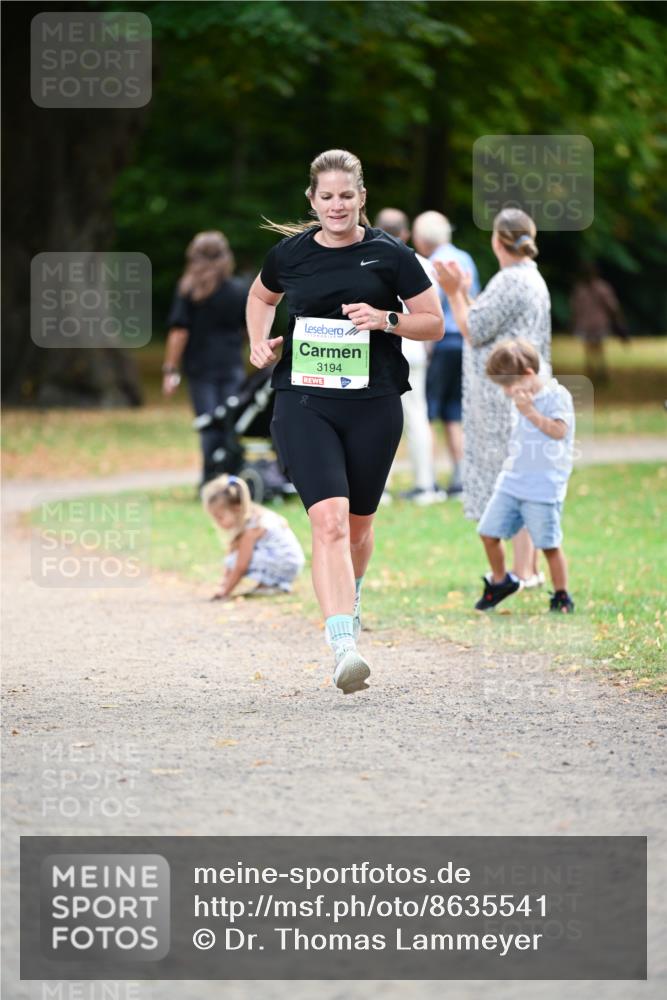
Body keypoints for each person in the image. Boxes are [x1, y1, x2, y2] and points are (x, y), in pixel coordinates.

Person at [246, 148, 444, 694]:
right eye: (326, 196)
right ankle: (343, 645)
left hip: (374, 404)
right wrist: (258, 343)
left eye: (346, 196)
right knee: (327, 522)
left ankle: (350, 595)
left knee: (357, 526)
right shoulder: (289, 254)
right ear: (312, 200)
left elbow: (433, 323)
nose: (337, 206)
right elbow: (261, 296)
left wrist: (387, 319)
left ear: (362, 198)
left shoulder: (391, 255)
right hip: (304, 400)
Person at [435, 207, 552, 588]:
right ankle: (528, 569)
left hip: (505, 396)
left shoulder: (510, 281)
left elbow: (472, 329)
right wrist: (466, 292)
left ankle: (520, 571)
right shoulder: (529, 278)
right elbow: (488, 322)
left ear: (497, 241)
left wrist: (453, 293)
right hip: (523, 389)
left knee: (513, 480)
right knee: (523, 477)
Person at [474, 339, 575, 614]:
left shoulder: (556, 396)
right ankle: (500, 581)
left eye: (509, 385)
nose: (506, 392)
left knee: (549, 544)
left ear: (529, 375)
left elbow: (559, 431)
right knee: (488, 532)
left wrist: (529, 412)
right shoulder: (521, 398)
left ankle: (562, 596)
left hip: (544, 486)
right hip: (513, 481)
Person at [163, 231, 248, 489]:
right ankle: (231, 477)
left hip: (201, 368)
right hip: (232, 365)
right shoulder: (238, 290)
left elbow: (179, 332)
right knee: (230, 423)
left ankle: (209, 479)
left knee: (208, 423)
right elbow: (247, 329)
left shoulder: (189, 290)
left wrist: (170, 369)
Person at [374, 207, 445, 505]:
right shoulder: (425, 265)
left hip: (386, 347)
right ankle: (425, 483)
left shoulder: (372, 260)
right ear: (405, 233)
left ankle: (381, 486)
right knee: (417, 417)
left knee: (380, 417)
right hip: (416, 348)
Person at [412, 211, 480, 497]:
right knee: (455, 411)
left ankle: (428, 479)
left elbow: (430, 307)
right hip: (464, 342)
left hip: (441, 344)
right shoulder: (465, 258)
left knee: (426, 411)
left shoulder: (432, 264)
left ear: (423, 238)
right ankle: (461, 477)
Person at [202, 474, 305, 600]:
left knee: (235, 559)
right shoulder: (256, 514)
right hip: (291, 562)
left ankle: (272, 585)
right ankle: (268, 584)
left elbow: (241, 566)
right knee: (233, 557)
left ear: (237, 508)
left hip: (286, 563)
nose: (217, 523)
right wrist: (223, 585)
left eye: (220, 517)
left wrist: (225, 592)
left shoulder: (253, 528)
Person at [570, 262, 627, 383]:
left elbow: (575, 309)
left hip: (591, 324)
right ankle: (597, 374)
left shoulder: (583, 289)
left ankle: (596, 374)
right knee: (596, 350)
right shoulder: (600, 287)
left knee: (592, 350)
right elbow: (613, 307)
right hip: (596, 323)